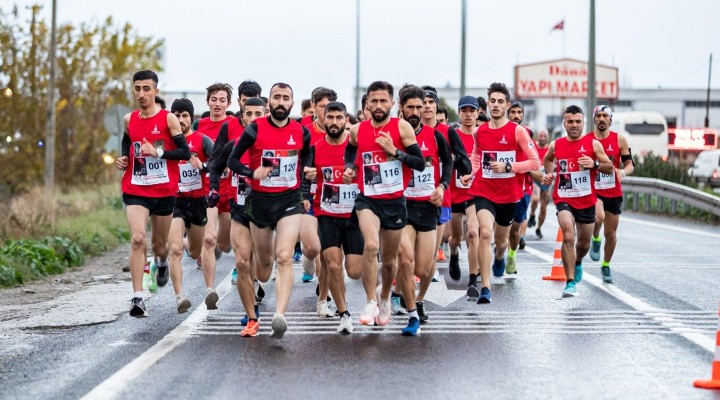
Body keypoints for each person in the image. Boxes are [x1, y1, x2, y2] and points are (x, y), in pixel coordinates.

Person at [228, 82, 311, 338]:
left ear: (292, 103)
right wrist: (252, 172)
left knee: (285, 256)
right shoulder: (255, 129)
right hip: (259, 202)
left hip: (289, 200)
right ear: (269, 103)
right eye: (277, 97)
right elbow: (232, 160)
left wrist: (306, 185)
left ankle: (279, 315)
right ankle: (253, 315)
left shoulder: (300, 132)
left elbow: (307, 161)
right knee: (263, 267)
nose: (281, 102)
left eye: (286, 98)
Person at [343, 81, 426, 327]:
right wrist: (349, 167)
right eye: (374, 101)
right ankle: (370, 300)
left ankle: (385, 297)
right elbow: (350, 150)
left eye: (383, 101)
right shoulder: (358, 130)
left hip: (394, 200)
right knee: (370, 245)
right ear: (367, 103)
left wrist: (395, 151)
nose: (378, 106)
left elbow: (419, 163)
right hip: (368, 198)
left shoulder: (401, 128)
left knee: (390, 262)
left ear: (392, 103)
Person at [115, 70, 190, 317]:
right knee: (138, 238)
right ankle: (138, 297)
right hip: (136, 186)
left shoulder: (168, 119)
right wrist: (124, 158)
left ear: (156, 91)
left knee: (160, 245)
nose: (141, 94)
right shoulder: (129, 119)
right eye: (137, 88)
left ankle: (161, 263)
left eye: (146, 89)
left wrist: (158, 153)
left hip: (163, 189)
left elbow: (184, 153)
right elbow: (128, 141)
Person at [467, 83, 540, 302]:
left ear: (507, 105)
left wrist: (509, 167)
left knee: (501, 242)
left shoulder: (517, 131)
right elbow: (477, 157)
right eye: (493, 101)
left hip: (509, 194)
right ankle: (486, 288)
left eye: (501, 102)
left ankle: (500, 256)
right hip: (484, 190)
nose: (496, 105)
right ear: (487, 104)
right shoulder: (480, 131)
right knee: (485, 233)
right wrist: (470, 174)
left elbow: (534, 162)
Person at [394, 85, 453, 335]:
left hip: (428, 206)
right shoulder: (394, 135)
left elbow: (448, 162)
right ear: (401, 108)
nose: (416, 111)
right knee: (406, 261)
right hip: (402, 205)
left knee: (424, 268)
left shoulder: (435, 135)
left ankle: (418, 299)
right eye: (411, 107)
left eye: (420, 107)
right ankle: (411, 313)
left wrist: (442, 185)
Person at [540, 105, 613, 297]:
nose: (574, 125)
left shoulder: (593, 145)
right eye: (570, 121)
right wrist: (549, 173)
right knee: (568, 235)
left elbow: (609, 167)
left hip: (586, 199)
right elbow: (548, 159)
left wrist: (595, 163)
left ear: (583, 123)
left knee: (583, 244)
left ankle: (578, 260)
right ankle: (570, 282)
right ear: (564, 123)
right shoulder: (556, 144)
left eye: (578, 121)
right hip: (564, 197)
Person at [305, 101, 364, 334]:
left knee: (354, 271)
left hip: (353, 216)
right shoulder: (315, 148)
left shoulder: (356, 147)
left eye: (339, 118)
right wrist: (306, 185)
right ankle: (344, 313)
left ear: (346, 120)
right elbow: (304, 177)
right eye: (330, 118)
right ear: (323, 119)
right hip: (326, 214)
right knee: (331, 262)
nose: (334, 122)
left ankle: (324, 297)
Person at [211, 97, 268, 325]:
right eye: (249, 114)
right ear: (242, 117)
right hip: (241, 206)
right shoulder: (233, 145)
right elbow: (215, 167)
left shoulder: (275, 146)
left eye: (258, 114)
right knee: (243, 261)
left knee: (263, 265)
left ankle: (259, 279)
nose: (253, 118)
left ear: (266, 116)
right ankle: (251, 313)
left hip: (267, 209)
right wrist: (214, 188)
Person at [210, 80, 262, 285]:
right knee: (225, 243)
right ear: (239, 102)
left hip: (263, 197)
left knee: (257, 247)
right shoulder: (229, 128)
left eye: (255, 108)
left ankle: (254, 277)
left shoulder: (270, 129)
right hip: (235, 193)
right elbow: (216, 161)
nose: (251, 112)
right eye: (246, 103)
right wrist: (214, 183)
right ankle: (244, 269)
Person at [166, 98, 214, 312]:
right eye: (176, 115)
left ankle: (210, 291)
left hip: (197, 201)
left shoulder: (203, 141)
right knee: (174, 249)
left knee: (196, 251)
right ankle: (179, 297)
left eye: (185, 115)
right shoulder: (165, 142)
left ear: (191, 118)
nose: (181, 119)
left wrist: (202, 166)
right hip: (174, 200)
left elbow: (218, 164)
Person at [195, 83, 234, 303]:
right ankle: (210, 290)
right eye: (214, 99)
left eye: (222, 100)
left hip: (230, 191)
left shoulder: (234, 125)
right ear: (208, 101)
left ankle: (217, 249)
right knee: (208, 239)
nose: (217, 104)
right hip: (207, 189)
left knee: (224, 243)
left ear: (229, 104)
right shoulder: (199, 125)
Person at [588, 105, 634, 283]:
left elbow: (630, 164)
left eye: (605, 116)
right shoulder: (587, 139)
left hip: (613, 191)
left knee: (612, 234)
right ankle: (595, 237)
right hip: (594, 189)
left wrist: (623, 172)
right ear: (594, 119)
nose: (601, 119)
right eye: (598, 115)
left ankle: (606, 264)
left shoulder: (620, 140)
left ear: (610, 119)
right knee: (598, 217)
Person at [447, 96, 480, 302]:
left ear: (478, 113)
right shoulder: (452, 135)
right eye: (464, 110)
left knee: (473, 233)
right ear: (459, 113)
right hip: (454, 193)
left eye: (472, 110)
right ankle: (453, 253)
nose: (468, 114)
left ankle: (473, 280)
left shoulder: (482, 135)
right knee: (456, 237)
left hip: (475, 194)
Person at [504, 101, 535, 275]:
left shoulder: (527, 135)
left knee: (515, 229)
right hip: (499, 188)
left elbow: (534, 163)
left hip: (521, 189)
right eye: (513, 112)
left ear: (523, 115)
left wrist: (539, 175)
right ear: (508, 113)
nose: (516, 116)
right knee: (498, 227)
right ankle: (499, 251)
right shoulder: (499, 132)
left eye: (519, 112)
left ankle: (511, 254)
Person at [528, 129, 551, 239]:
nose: (542, 138)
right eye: (540, 135)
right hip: (536, 179)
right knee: (535, 199)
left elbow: (554, 162)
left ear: (547, 138)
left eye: (544, 136)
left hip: (546, 181)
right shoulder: (534, 147)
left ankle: (538, 228)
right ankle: (532, 214)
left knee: (543, 208)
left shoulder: (550, 149)